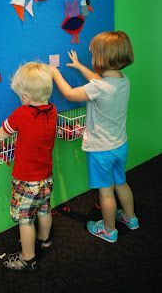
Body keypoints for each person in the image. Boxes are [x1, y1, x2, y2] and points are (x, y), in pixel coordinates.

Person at [51, 31, 139, 243]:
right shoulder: (122, 81)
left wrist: (55, 74)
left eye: (93, 55)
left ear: (102, 58)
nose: (91, 58)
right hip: (120, 145)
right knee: (121, 182)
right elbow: (100, 81)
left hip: (101, 150)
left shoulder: (98, 87)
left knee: (106, 192)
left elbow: (71, 94)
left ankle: (109, 230)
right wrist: (81, 67)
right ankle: (130, 218)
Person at [0, 62, 57, 270]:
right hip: (46, 177)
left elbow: (3, 131)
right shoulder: (52, 111)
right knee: (44, 210)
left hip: (26, 180)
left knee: (25, 220)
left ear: (26, 98)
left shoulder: (21, 113)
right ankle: (45, 240)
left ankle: (27, 258)